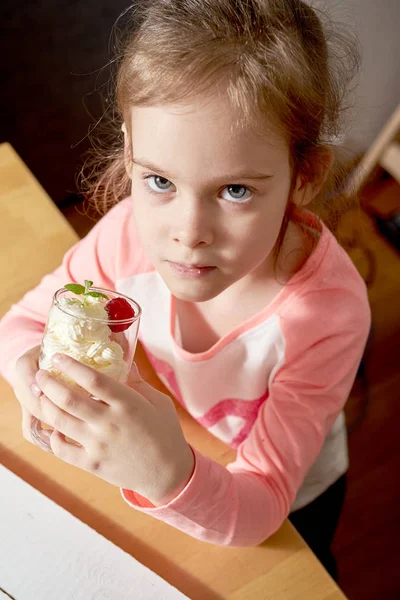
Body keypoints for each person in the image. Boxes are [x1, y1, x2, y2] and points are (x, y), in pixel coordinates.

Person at [0, 0, 370, 581]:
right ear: (129, 149)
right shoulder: (127, 233)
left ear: (306, 176)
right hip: (187, 439)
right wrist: (34, 378)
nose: (187, 234)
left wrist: (167, 475)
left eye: (236, 191)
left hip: (293, 500)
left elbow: (265, 503)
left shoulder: (325, 316)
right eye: (159, 181)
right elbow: (21, 325)